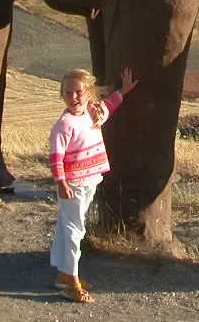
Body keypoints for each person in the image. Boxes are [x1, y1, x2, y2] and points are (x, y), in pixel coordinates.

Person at [48, 65, 138, 302]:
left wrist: (124, 91)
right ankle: (72, 282)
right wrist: (61, 182)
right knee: (74, 230)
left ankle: (63, 274)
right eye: (68, 93)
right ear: (62, 95)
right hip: (73, 184)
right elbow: (55, 157)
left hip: (90, 179)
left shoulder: (92, 113)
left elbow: (109, 106)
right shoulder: (63, 125)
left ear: (88, 92)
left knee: (68, 225)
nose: (73, 97)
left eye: (78, 92)